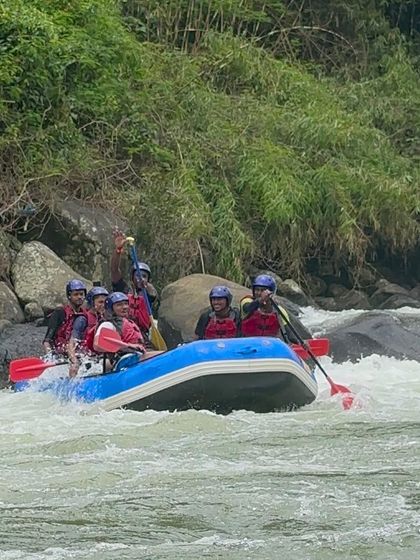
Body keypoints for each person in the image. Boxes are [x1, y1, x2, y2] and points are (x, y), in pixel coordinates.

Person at [110, 230, 159, 341]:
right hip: (123, 334)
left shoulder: (148, 295)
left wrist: (145, 285)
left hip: (142, 336)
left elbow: (153, 293)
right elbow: (114, 270)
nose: (140, 278)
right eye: (138, 275)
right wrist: (118, 251)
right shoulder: (123, 290)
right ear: (132, 277)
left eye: (144, 276)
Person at [240, 274, 298, 342]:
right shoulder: (247, 301)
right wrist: (262, 299)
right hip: (248, 344)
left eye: (262, 290)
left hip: (269, 345)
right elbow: (247, 309)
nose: (258, 293)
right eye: (257, 290)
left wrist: (298, 343)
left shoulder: (279, 310)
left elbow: (290, 333)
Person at [67, 286, 109, 378]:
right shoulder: (82, 319)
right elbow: (71, 343)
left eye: (106, 302)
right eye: (100, 302)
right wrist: (74, 361)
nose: (104, 305)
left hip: (100, 356)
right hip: (85, 358)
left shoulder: (106, 319)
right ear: (92, 303)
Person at [43, 279, 87, 356]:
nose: (79, 297)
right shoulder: (59, 312)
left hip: (77, 354)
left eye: (81, 294)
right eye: (76, 294)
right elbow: (47, 341)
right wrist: (50, 358)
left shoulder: (84, 314)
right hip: (58, 354)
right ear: (69, 296)